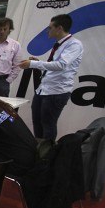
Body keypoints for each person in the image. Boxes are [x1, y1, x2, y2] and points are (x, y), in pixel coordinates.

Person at [19, 14, 83, 142]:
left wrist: (33, 64)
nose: (48, 31)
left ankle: (47, 156)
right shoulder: (58, 45)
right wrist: (38, 62)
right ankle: (38, 150)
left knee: (48, 125)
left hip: (56, 92)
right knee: (37, 123)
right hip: (43, 89)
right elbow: (54, 65)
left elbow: (61, 65)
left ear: (59, 28)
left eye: (50, 28)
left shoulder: (74, 44)